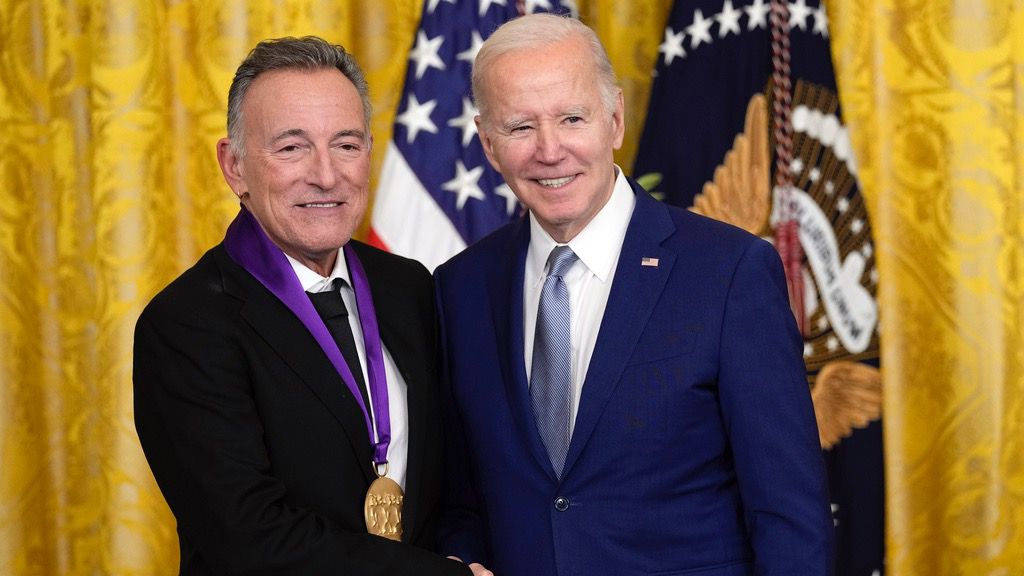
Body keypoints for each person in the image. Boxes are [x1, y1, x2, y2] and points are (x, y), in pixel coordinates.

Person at [434, 14, 834, 576]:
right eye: (521, 127)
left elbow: (789, 516)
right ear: (488, 144)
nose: (550, 151)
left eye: (572, 118)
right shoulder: (459, 288)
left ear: (615, 119)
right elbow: (461, 497)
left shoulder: (730, 273)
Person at [134, 36, 471, 575]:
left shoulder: (408, 287)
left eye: (346, 143)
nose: (326, 174)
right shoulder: (185, 325)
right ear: (235, 165)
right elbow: (247, 537)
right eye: (292, 147)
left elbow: (455, 475)